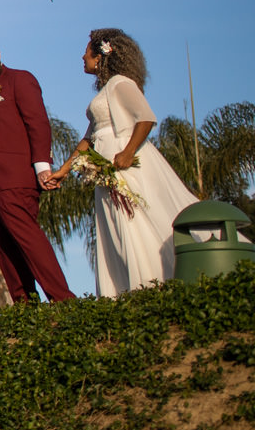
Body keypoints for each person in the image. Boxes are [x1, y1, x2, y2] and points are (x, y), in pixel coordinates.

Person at [45, 28, 196, 296]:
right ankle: (124, 289)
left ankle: (149, 283)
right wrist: (65, 170)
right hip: (104, 167)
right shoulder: (106, 90)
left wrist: (127, 152)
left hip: (123, 163)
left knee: (133, 221)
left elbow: (146, 117)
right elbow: (89, 138)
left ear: (101, 55)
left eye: (87, 51)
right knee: (114, 226)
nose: (82, 56)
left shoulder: (120, 83)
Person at [0, 33, 75, 303]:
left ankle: (63, 299)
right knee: (4, 249)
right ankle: (25, 304)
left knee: (29, 242)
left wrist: (42, 167)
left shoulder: (19, 80)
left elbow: (38, 123)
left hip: (14, 178)